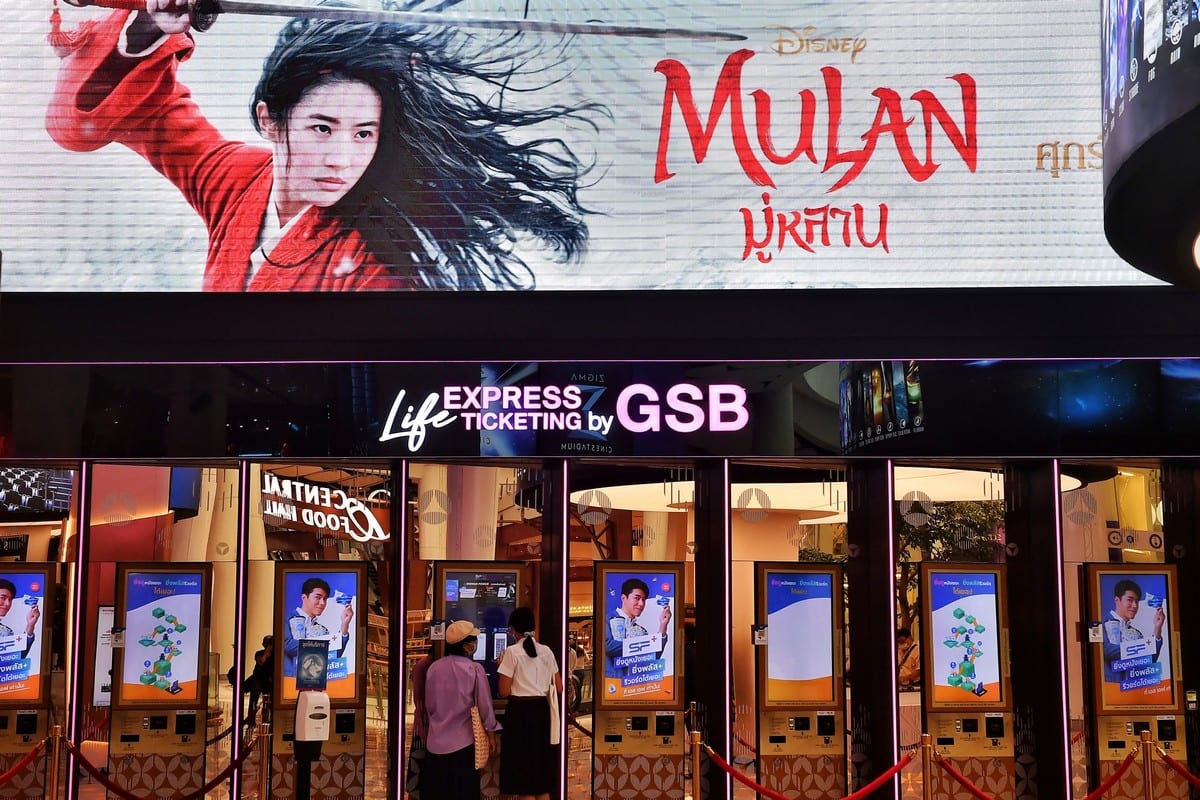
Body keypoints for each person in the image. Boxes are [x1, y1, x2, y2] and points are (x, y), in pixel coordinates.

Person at [45, 1, 598, 292]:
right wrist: (149, 25)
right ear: (270, 120)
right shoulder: (236, 178)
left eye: (365, 135)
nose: (341, 159)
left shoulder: (380, 265)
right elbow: (115, 117)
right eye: (321, 127)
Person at [422, 620, 499, 800]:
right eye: (473, 640)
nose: (475, 644)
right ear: (466, 645)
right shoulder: (474, 669)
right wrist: (491, 732)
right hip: (463, 745)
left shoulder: (434, 668)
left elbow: (429, 706)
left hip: (434, 745)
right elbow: (485, 705)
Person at [497, 606, 560, 800]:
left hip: (519, 716)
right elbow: (559, 687)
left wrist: (500, 667)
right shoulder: (546, 651)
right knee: (541, 779)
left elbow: (504, 691)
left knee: (524, 780)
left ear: (513, 629)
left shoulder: (511, 652)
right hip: (542, 715)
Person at [282, 577, 352, 676]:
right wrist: (321, 645)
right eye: (318, 597)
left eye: (325, 599)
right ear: (304, 597)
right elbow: (288, 645)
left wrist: (345, 624)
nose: (322, 603)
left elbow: (334, 655)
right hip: (289, 681)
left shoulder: (322, 630)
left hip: (314, 683)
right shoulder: (285, 619)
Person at [604, 577, 671, 680]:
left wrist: (663, 625)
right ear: (623, 598)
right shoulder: (607, 619)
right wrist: (642, 645)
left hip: (636, 685)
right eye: (637, 598)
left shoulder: (641, 630)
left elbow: (652, 657)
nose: (641, 604)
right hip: (613, 685)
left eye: (644, 600)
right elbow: (608, 646)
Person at [1102, 578, 1165, 683]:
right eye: (1130, 600)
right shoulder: (1102, 624)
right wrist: (1141, 647)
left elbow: (1150, 660)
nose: (1135, 606)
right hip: (1111, 690)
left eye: (1136, 601)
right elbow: (1107, 651)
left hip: (1133, 689)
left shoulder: (1136, 633)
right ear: (1117, 600)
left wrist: (1157, 627)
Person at [405, 651, 434, 799]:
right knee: (417, 778)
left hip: (425, 726)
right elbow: (419, 699)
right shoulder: (424, 665)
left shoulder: (423, 665)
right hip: (424, 727)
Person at [0, 579, 38, 660]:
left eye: (10, 600)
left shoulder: (6, 632)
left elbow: (16, 658)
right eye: (2, 598)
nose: (7, 604)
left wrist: (30, 625)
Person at [245, 634, 274, 727]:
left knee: (268, 701)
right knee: (253, 700)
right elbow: (261, 662)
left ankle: (266, 720)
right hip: (258, 680)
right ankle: (251, 719)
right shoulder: (259, 653)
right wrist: (266, 653)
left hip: (268, 681)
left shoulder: (275, 656)